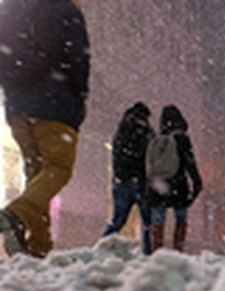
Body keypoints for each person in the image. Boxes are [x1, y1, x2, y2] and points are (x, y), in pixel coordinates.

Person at [0, 0, 90, 258]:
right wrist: (79, 97)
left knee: (36, 173)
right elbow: (78, 60)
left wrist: (13, 92)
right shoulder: (66, 10)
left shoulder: (9, 9)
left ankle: (39, 245)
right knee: (58, 168)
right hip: (55, 105)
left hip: (17, 108)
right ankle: (15, 215)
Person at [146, 105, 203, 253]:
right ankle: (178, 251)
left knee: (158, 220)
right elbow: (190, 162)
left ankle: (157, 253)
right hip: (177, 185)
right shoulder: (181, 138)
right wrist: (197, 181)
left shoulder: (155, 138)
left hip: (157, 186)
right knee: (181, 218)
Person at [102, 102, 154, 254]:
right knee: (147, 221)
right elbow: (148, 155)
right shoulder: (145, 130)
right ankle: (147, 253)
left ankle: (101, 247)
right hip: (139, 181)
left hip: (120, 181)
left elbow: (117, 156)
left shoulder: (121, 130)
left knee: (118, 220)